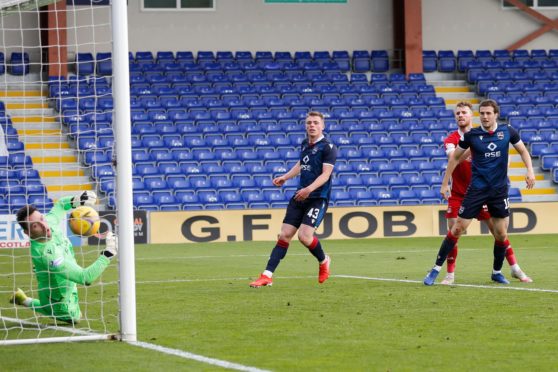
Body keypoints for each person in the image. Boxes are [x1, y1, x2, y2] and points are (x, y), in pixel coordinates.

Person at [424, 99, 535, 286]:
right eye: (482, 113)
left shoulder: (507, 131)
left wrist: (530, 170)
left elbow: (523, 151)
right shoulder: (471, 136)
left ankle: (499, 272)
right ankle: (437, 270)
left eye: (488, 113)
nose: (485, 116)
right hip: (474, 191)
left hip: (499, 192)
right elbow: (454, 159)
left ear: (496, 114)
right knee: (457, 228)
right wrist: (445, 184)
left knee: (500, 234)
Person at [250, 111, 337, 287]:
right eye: (309, 123)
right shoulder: (305, 143)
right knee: (285, 235)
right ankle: (267, 275)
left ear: (323, 126)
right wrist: (285, 177)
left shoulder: (328, 148)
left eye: (315, 123)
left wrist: (309, 189)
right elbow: (302, 164)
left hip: (317, 197)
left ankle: (323, 260)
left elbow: (326, 174)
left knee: (304, 237)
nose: (311, 125)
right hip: (300, 196)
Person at [10, 191, 118, 324]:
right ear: (28, 232)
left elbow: (61, 205)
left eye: (42, 219)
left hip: (64, 278)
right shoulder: (48, 256)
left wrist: (77, 200)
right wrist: (109, 253)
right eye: (35, 225)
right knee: (75, 318)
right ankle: (25, 300)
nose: (45, 226)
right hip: (57, 299)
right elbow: (85, 278)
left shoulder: (49, 222)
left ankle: (25, 295)